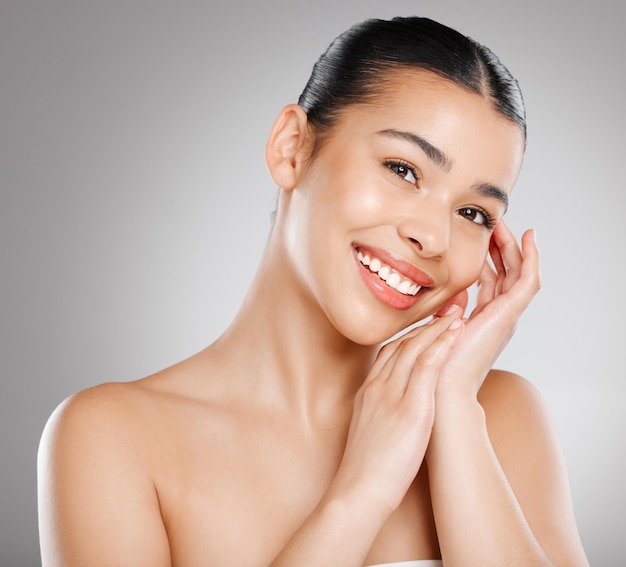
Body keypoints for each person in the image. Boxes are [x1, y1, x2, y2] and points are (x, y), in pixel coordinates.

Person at [37, 16, 589, 567]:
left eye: (473, 212)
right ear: (292, 147)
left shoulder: (500, 417)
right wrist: (362, 492)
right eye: (403, 169)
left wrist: (455, 412)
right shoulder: (112, 439)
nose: (433, 237)